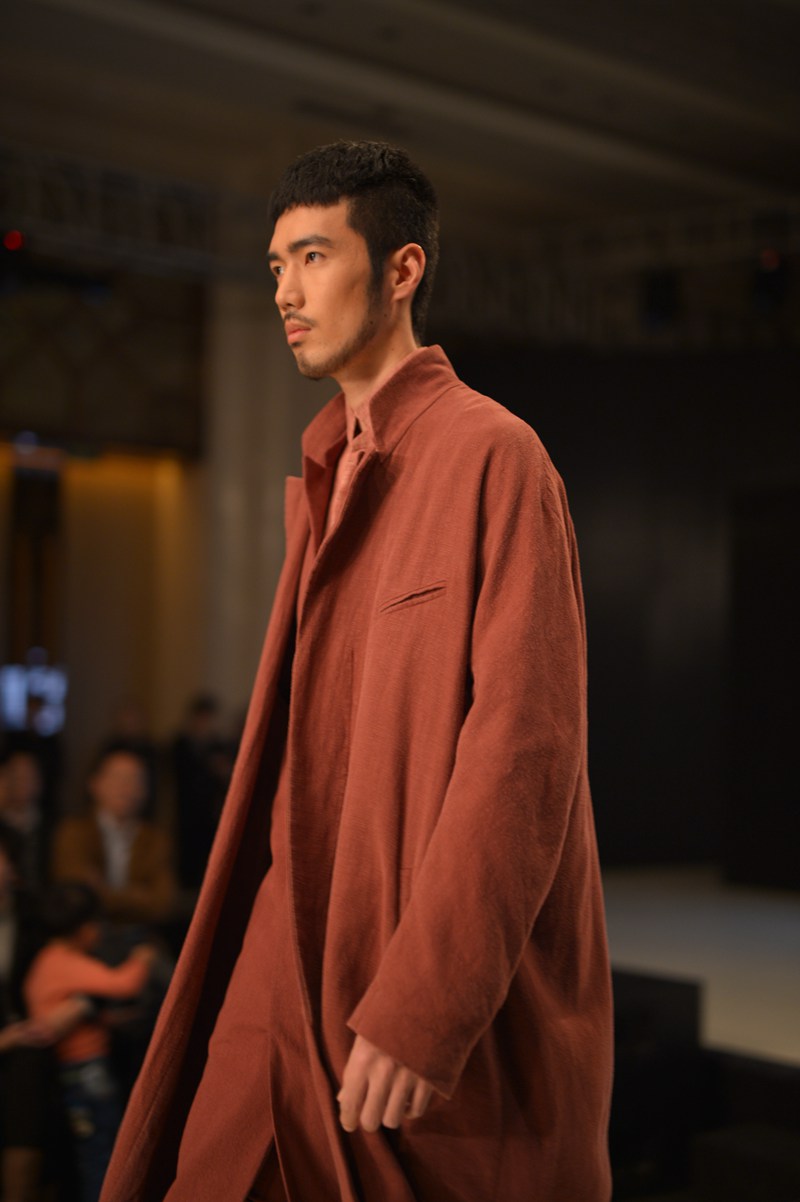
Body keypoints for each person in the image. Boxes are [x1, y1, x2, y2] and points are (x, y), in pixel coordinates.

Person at [100, 140, 613, 1202]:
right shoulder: (327, 467)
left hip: (402, 972)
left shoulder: (493, 453)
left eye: (313, 256)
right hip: (286, 947)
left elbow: (527, 748)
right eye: (275, 264)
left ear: (401, 269)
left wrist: (428, 1000)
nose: (284, 293)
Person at [23, 882, 157, 1202]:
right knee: (102, 1151)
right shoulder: (65, 963)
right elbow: (123, 984)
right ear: (82, 929)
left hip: (72, 1071)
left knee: (95, 1151)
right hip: (86, 1071)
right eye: (96, 924)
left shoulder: (46, 961)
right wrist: (143, 957)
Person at [52, 747, 177, 928]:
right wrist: (137, 895)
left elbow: (161, 903)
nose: (126, 787)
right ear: (95, 784)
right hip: (84, 933)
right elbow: (76, 893)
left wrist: (104, 891)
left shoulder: (156, 840)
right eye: (117, 778)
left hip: (140, 933)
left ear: (145, 790)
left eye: (135, 780)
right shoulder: (73, 833)